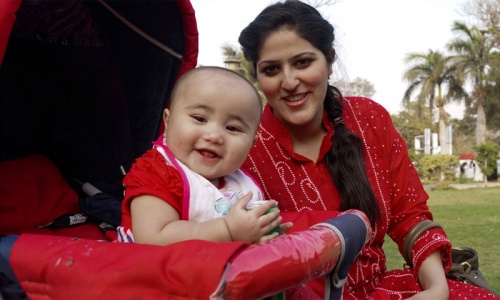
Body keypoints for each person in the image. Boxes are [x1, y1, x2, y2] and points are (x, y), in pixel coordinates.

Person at [238, 1, 500, 299]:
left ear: (329, 60)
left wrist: (437, 289)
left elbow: (408, 214)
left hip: (381, 291)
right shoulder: (242, 147)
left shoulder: (369, 120)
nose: (289, 81)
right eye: (271, 69)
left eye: (302, 62)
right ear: (257, 76)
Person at [117, 66, 289, 245]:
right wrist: (228, 231)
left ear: (251, 145)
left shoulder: (239, 183)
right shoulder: (156, 172)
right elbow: (152, 238)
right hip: (149, 270)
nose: (214, 136)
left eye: (232, 128)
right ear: (167, 122)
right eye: (200, 118)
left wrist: (265, 230)